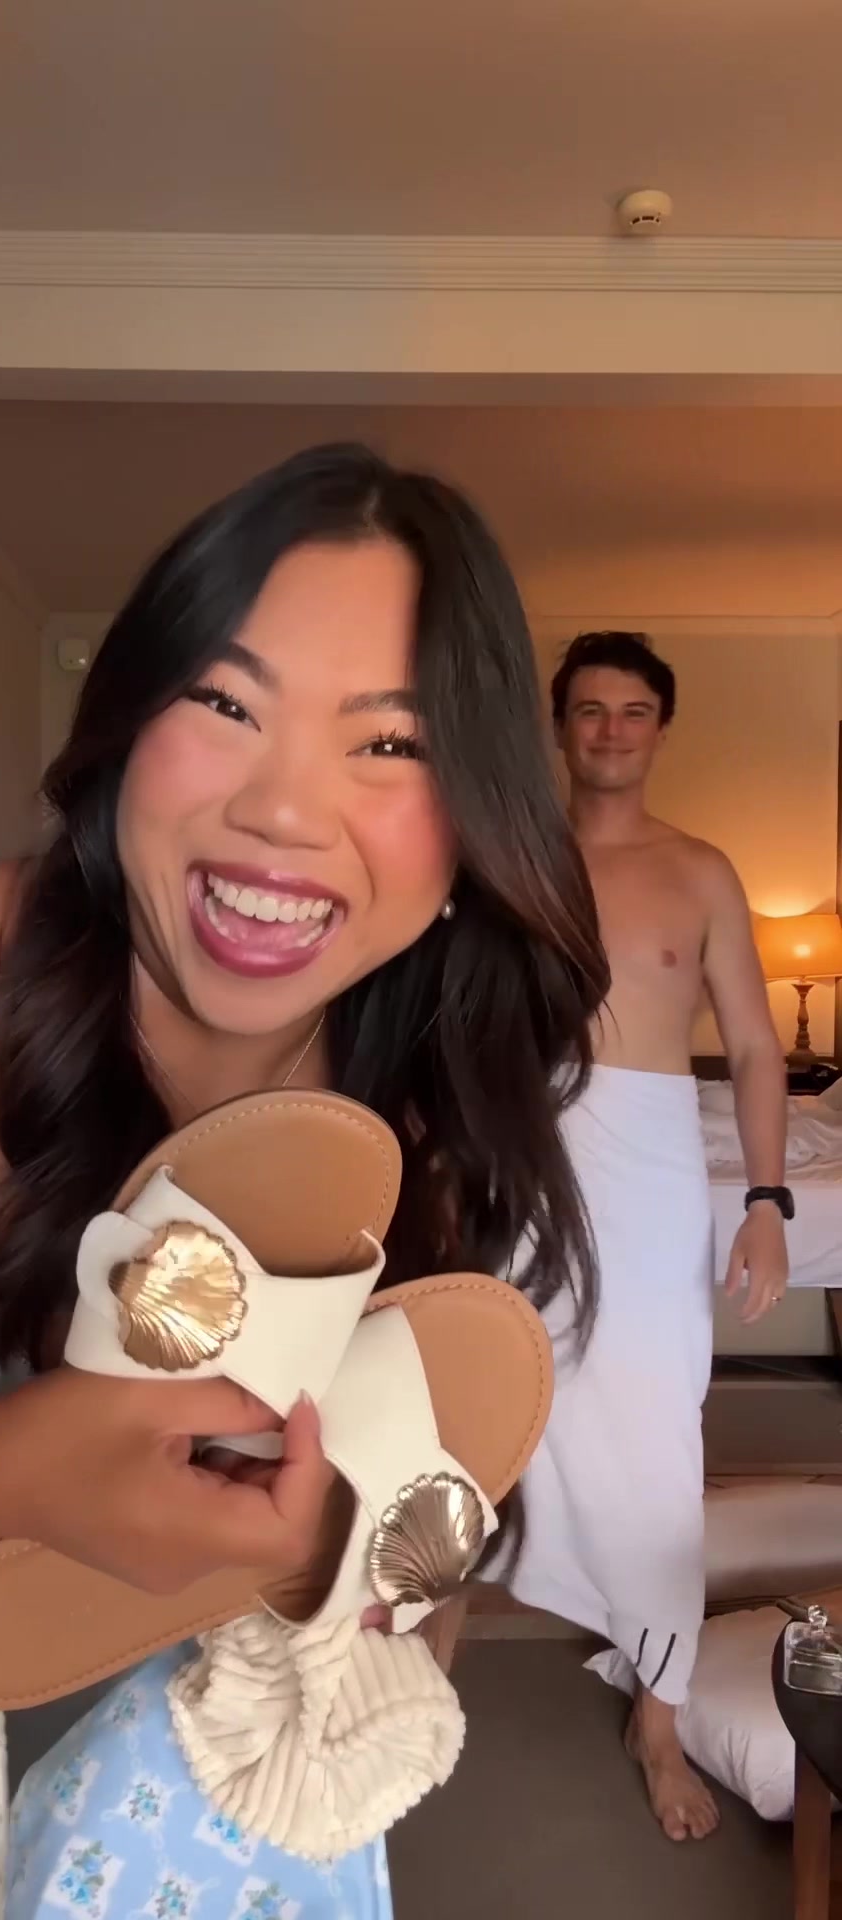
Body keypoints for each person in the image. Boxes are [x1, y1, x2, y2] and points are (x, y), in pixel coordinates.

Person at [0, 444, 608, 1917]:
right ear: (123, 728)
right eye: (225, 704)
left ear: (476, 825)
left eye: (389, 744)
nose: (285, 810)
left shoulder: (425, 1104)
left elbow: (399, 1616)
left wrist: (365, 1587)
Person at [500, 630, 788, 1845]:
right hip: (525, 1158)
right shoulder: (511, 859)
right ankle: (431, 1643)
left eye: (632, 711)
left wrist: (766, 1202)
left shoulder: (702, 871)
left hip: (656, 1167)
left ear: (660, 728)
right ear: (560, 725)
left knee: (661, 1431)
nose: (611, 730)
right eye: (589, 710)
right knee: (496, 1400)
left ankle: (658, 1716)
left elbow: (758, 1047)